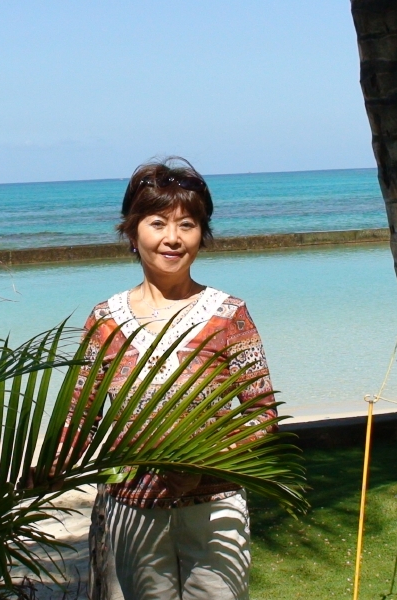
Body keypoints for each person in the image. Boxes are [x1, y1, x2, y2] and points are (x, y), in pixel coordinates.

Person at [67, 157, 278, 600]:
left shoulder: (229, 315)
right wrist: (51, 466)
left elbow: (262, 416)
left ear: (202, 234)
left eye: (187, 225)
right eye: (158, 223)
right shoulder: (105, 321)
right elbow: (79, 416)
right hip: (132, 508)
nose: (173, 238)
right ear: (132, 232)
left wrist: (201, 467)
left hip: (216, 510)